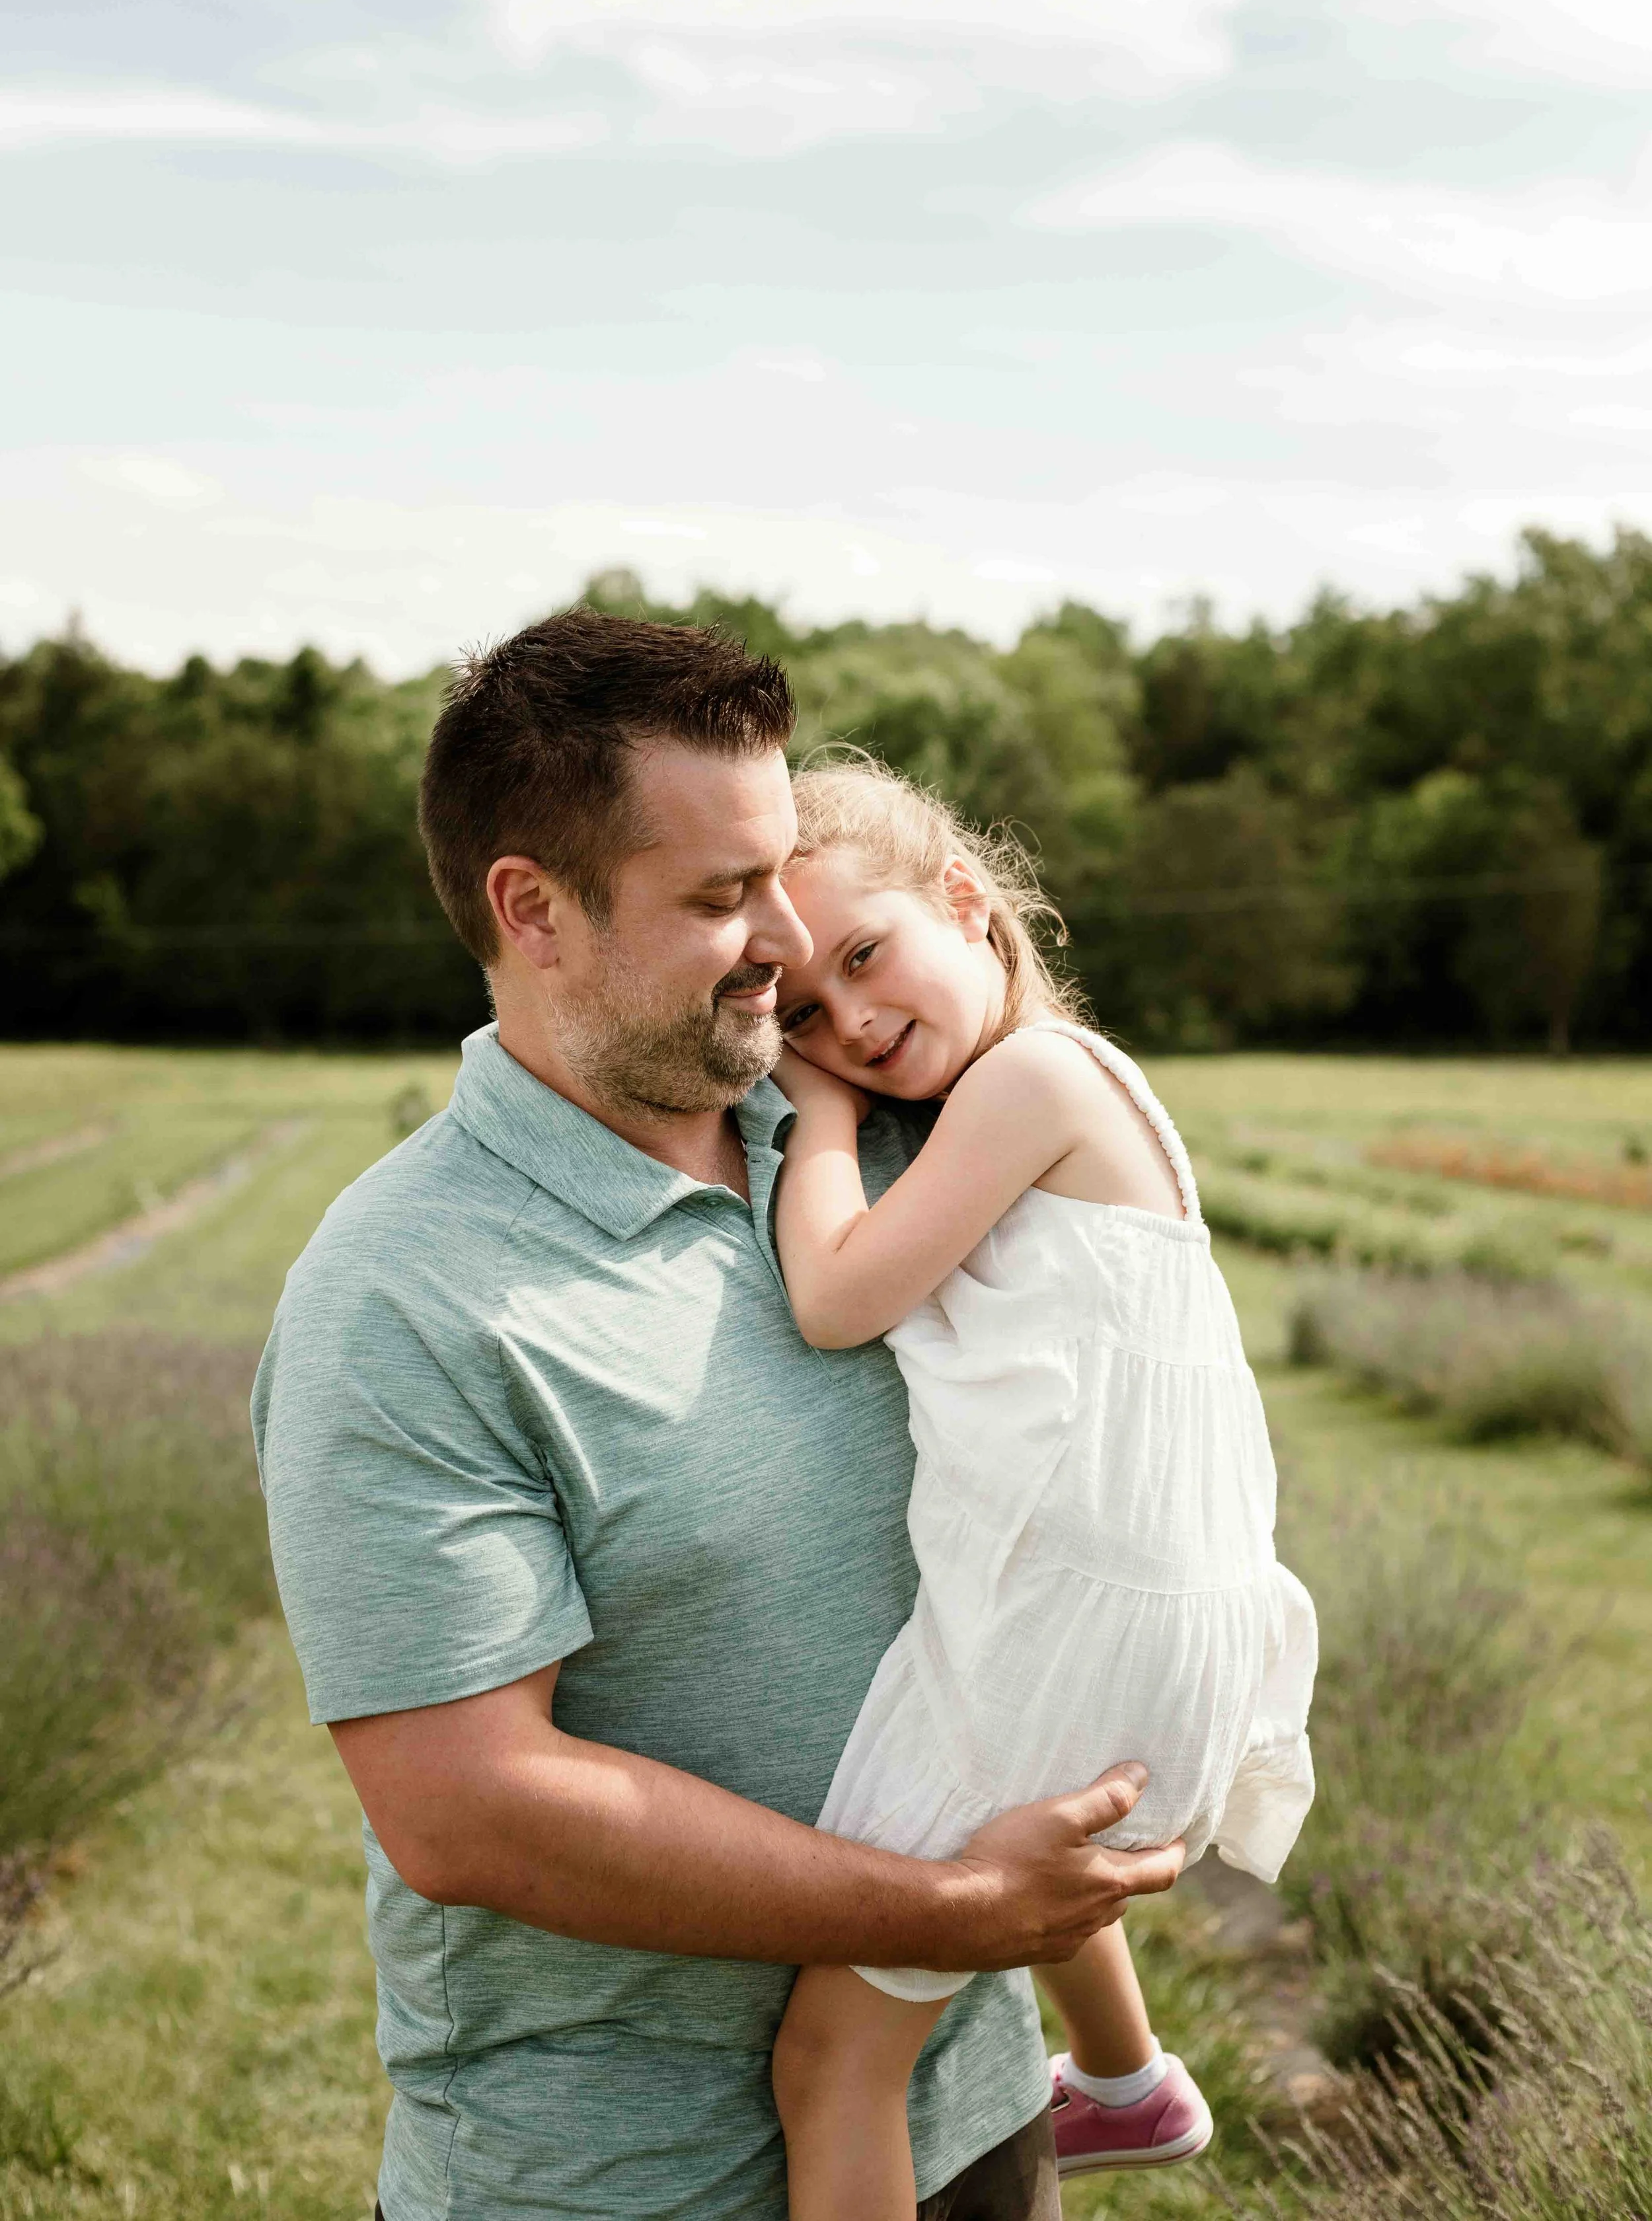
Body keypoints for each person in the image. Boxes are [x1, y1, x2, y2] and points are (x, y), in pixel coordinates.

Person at [250, 609, 1185, 2221]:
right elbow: (466, 1808)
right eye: (718, 896)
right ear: (531, 911)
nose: (781, 935)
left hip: (964, 2106)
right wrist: (939, 1904)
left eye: (781, 874)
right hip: (625, 2177)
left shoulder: (881, 1137)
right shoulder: (403, 1298)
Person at [765, 759, 1318, 2219]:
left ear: (966, 899)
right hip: (1163, 1633)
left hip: (1079, 1632)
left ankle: (1123, 2084)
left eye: (865, 959)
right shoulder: (1087, 1077)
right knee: (1031, 1809)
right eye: (804, 1011)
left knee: (831, 2058)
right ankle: (1126, 2083)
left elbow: (832, 1296)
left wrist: (811, 1111)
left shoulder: (1025, 1081)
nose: (853, 1024)